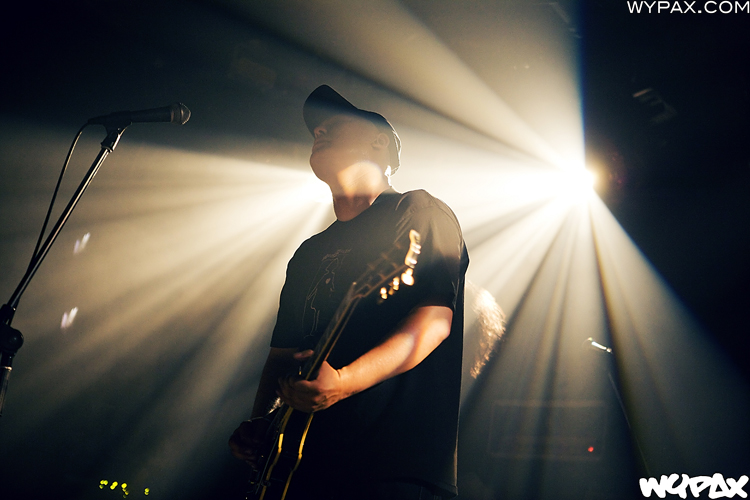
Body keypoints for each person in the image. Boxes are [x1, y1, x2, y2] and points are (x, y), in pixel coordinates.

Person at [229, 85, 469, 500]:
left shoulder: (418, 210)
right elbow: (282, 357)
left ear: (379, 141)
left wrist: (342, 382)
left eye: (334, 123)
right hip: (300, 469)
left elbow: (433, 322)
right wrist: (262, 426)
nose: (318, 130)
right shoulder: (309, 252)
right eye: (315, 129)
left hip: (390, 468)